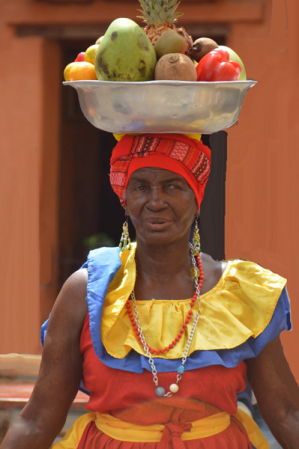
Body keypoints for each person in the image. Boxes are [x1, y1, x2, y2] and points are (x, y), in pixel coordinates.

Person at [1, 133, 299, 449]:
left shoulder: (239, 292)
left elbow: (286, 413)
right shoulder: (86, 292)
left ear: (196, 198)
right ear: (125, 199)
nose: (155, 202)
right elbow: (37, 420)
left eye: (173, 186)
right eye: (141, 187)